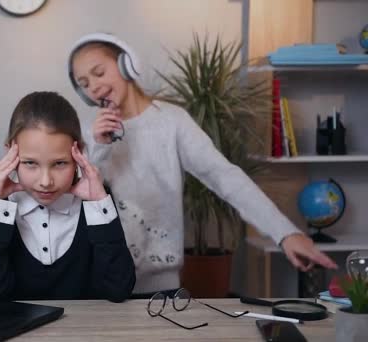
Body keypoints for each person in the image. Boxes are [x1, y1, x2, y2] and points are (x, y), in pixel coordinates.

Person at [67, 32, 338, 296]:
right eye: (85, 82)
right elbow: (76, 194)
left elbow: (224, 176)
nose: (94, 86)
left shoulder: (172, 121)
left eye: (99, 73)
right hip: (105, 282)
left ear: (127, 64)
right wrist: (99, 146)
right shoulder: (90, 133)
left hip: (163, 285)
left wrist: (285, 233)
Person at [0, 91, 136, 302]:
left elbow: (119, 289)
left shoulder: (96, 204)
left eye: (59, 163)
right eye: (31, 163)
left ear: (79, 154)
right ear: (10, 153)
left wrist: (99, 204)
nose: (46, 181)